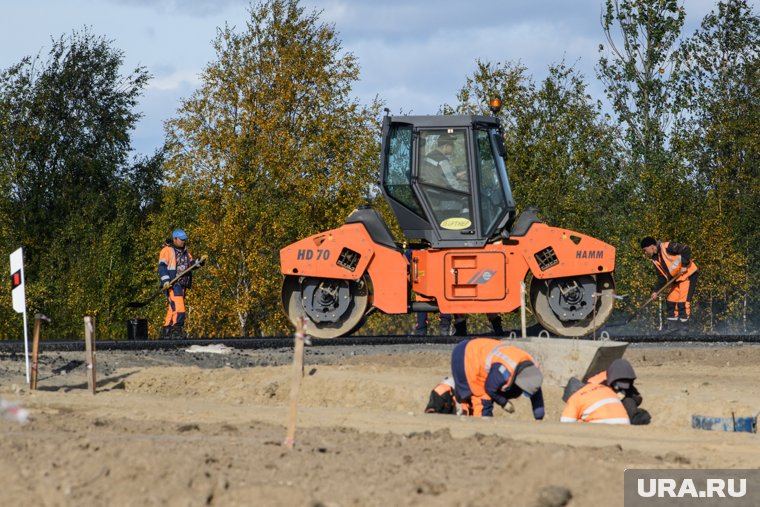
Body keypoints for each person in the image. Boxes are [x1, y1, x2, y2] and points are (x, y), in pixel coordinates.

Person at [450, 338, 544, 418]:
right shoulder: (505, 370)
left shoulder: (532, 372)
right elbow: (490, 388)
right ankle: (480, 431)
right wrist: (504, 403)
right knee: (483, 400)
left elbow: (536, 394)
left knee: (509, 391)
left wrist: (539, 418)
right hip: (467, 356)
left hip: (478, 353)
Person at [640, 236, 698, 332]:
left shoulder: (667, 247)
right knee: (670, 301)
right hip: (676, 279)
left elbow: (686, 249)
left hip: (688, 275)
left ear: (651, 247)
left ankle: (683, 329)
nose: (645, 253)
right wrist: (656, 291)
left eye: (645, 250)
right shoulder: (655, 260)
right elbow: (662, 278)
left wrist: (684, 265)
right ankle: (673, 328)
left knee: (682, 303)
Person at [158, 229, 199, 339]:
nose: (183, 241)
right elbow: (162, 267)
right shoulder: (167, 251)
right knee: (179, 308)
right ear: (175, 239)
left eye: (184, 239)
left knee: (173, 308)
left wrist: (199, 262)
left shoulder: (185, 252)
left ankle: (167, 331)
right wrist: (165, 280)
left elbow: (190, 265)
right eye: (181, 239)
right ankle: (177, 330)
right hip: (173, 283)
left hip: (183, 284)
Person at [587, 358, 651, 425]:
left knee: (629, 400)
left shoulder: (624, 377)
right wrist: (614, 397)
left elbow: (637, 399)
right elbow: (591, 401)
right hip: (597, 407)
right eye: (619, 386)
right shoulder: (598, 383)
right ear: (612, 381)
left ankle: (634, 418)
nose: (622, 387)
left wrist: (626, 394)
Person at [560, 377, 630, 425]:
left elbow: (565, 422)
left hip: (604, 427)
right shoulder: (603, 387)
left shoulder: (574, 398)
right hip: (625, 423)